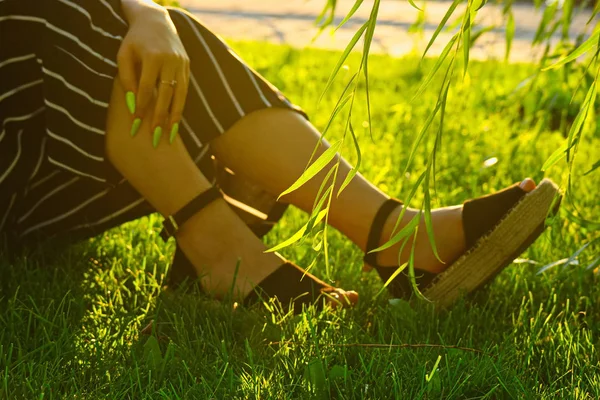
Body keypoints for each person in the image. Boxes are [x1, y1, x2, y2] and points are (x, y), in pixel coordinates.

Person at [0, 0, 560, 313]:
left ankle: (396, 235)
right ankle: (220, 248)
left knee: (147, 33)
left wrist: (149, 13)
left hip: (42, 158)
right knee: (55, 13)